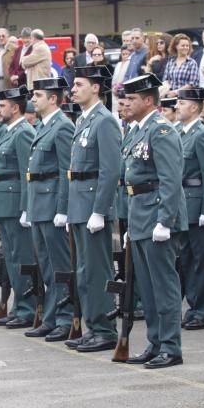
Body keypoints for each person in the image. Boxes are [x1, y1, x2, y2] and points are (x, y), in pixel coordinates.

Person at [119, 73, 187, 368]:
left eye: (132, 98)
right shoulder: (136, 131)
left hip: (158, 213)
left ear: (149, 100)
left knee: (164, 285)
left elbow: (170, 180)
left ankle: (171, 346)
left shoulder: (161, 131)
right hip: (140, 214)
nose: (126, 103)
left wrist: (165, 221)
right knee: (147, 288)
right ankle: (155, 341)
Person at [64, 64, 122, 353]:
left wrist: (100, 210)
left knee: (98, 271)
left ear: (96, 87)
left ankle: (105, 329)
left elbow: (110, 171)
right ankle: (92, 326)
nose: (73, 89)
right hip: (79, 204)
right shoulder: (83, 121)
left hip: (92, 207)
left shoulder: (105, 121)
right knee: (84, 271)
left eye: (79, 84)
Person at [20, 76, 76, 339]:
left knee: (60, 266)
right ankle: (52, 316)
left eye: (38, 95)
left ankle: (66, 318)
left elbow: (67, 170)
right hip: (39, 204)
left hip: (53, 202)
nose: (33, 99)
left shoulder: (62, 126)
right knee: (46, 265)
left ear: (53, 99)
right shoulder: (44, 126)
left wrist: (63, 208)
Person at [0, 87, 37, 328]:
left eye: (3, 106)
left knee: (21, 256)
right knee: (12, 257)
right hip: (4, 202)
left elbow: (25, 172)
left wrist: (26, 207)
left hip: (15, 202)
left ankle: (27, 307)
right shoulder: (9, 132)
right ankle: (19, 306)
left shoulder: (23, 133)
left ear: (15, 108)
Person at [174, 88, 204, 331]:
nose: (177, 106)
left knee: (202, 261)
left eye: (182, 103)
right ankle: (193, 306)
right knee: (187, 260)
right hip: (184, 205)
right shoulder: (180, 133)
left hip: (198, 203)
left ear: (194, 107)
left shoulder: (202, 135)